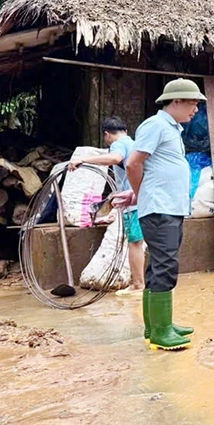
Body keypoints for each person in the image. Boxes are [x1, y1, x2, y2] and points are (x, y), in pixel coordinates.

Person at [117, 78, 204, 351]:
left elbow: (152, 170)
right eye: (193, 103)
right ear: (176, 101)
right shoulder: (155, 125)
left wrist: (137, 192)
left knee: (157, 267)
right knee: (166, 266)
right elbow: (133, 163)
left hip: (168, 206)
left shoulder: (171, 129)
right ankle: (161, 332)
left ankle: (155, 326)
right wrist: (140, 192)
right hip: (160, 208)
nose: (196, 110)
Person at [69, 116, 146, 295]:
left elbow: (115, 158)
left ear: (107, 135)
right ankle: (145, 283)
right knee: (143, 241)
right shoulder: (132, 142)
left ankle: (138, 285)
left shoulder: (118, 145)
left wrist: (84, 160)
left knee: (135, 243)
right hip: (142, 199)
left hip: (134, 202)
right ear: (125, 130)